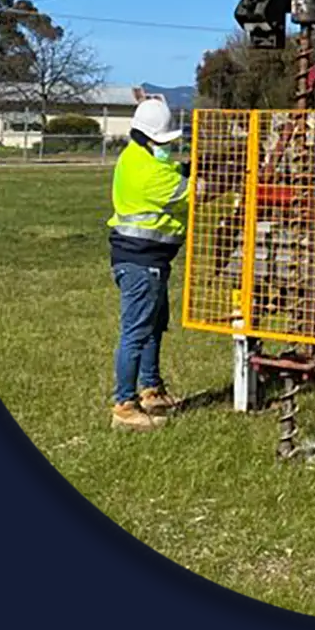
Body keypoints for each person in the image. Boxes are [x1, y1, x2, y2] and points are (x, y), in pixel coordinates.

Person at [107, 91, 190, 431]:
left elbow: (173, 167)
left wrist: (195, 163)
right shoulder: (151, 176)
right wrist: (228, 174)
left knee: (154, 326)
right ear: (146, 138)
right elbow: (195, 189)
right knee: (136, 332)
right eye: (162, 141)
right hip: (140, 262)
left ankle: (151, 389)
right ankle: (125, 405)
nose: (166, 147)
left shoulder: (135, 157)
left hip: (147, 259)